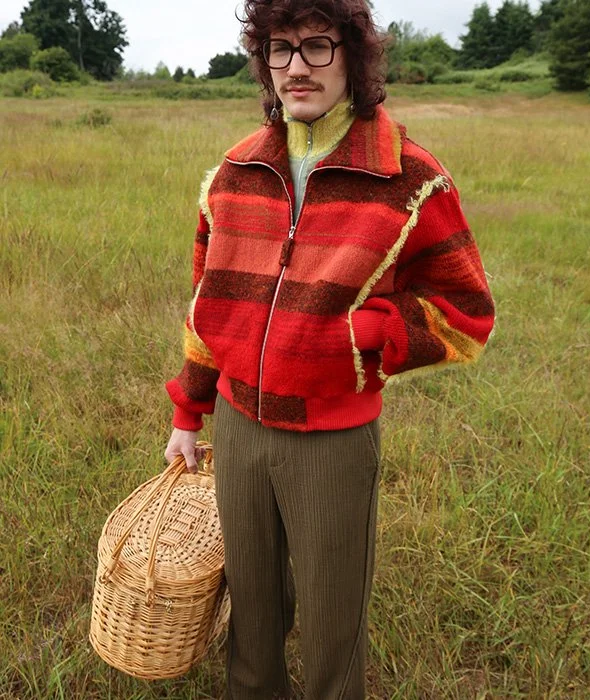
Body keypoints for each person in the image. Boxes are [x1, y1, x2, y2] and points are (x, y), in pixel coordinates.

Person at [164, 0, 495, 697]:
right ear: (264, 62)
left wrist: (360, 335)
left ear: (354, 56)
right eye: (280, 49)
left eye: (317, 45)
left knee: (331, 630)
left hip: (332, 444)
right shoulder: (235, 172)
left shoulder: (408, 176)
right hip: (239, 429)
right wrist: (188, 412)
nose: (297, 67)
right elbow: (209, 306)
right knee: (251, 618)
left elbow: (466, 313)